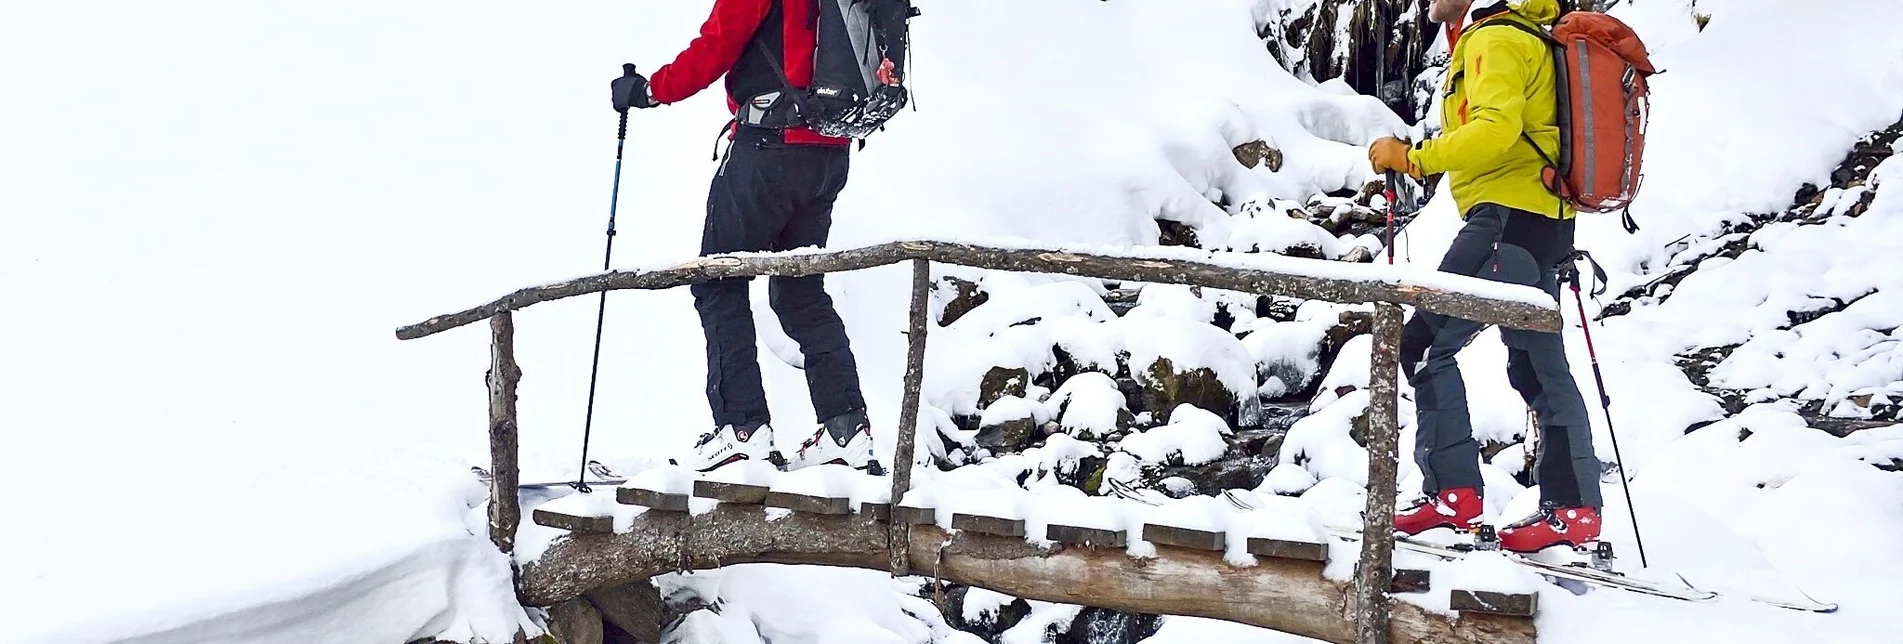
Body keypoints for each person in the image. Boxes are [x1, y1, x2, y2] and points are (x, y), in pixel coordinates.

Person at [1368, 0, 1602, 553]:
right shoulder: (1525, 34)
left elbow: (1496, 131)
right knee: (1536, 366)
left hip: (1503, 221)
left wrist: (1412, 158)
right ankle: (1574, 508)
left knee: (1423, 343)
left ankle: (1454, 496)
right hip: (1544, 226)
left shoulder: (1493, 38)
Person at [610, 0, 877, 474]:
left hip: (768, 149)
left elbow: (716, 45)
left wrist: (651, 91)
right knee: (802, 292)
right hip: (830, 154)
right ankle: (846, 431)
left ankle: (742, 429)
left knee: (718, 282)